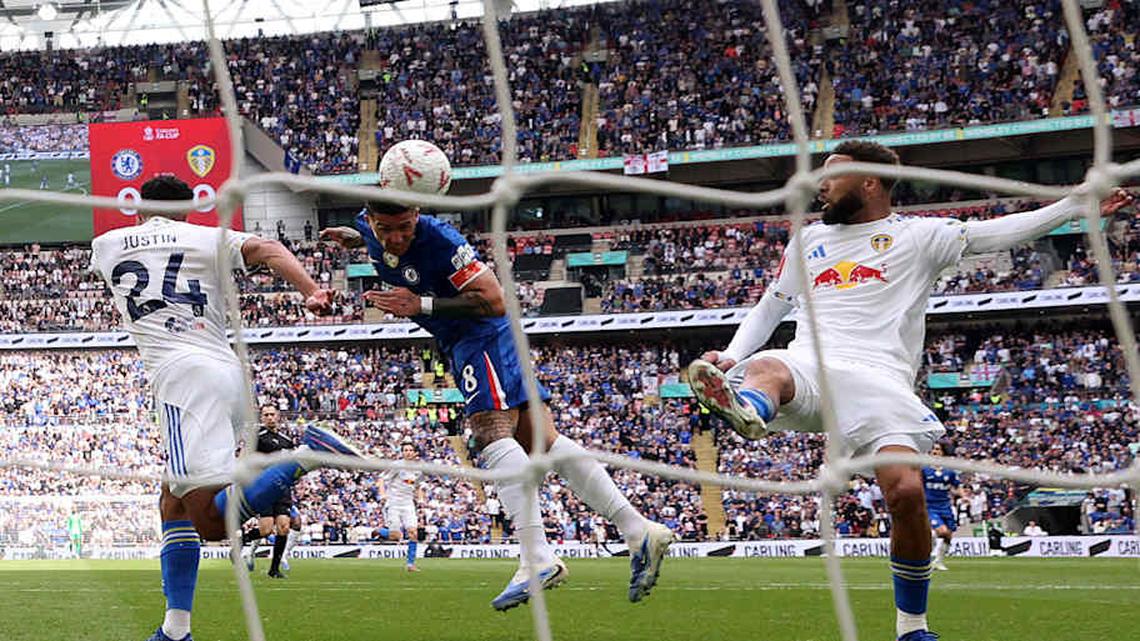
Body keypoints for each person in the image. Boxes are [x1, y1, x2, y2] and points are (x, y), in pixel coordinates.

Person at [686, 139, 1135, 641]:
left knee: (905, 492)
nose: (821, 186)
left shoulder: (919, 237)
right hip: (810, 362)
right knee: (766, 365)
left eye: (832, 178)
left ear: (869, 183)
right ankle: (746, 407)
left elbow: (999, 233)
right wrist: (729, 355)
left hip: (881, 379)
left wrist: (1075, 203)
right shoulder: (807, 241)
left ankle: (912, 628)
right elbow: (772, 306)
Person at [321, 193, 674, 611]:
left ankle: (537, 558)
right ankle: (637, 529)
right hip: (464, 341)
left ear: (418, 215)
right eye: (386, 230)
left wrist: (422, 304)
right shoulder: (370, 229)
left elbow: (494, 300)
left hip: (483, 335)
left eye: (405, 228)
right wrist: (355, 237)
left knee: (489, 433)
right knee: (541, 441)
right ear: (370, 220)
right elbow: (370, 234)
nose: (396, 238)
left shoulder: (441, 240)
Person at [89, 175, 364, 641]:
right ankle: (176, 629)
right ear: (191, 210)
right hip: (229, 375)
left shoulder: (106, 244)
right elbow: (270, 251)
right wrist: (311, 291)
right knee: (172, 501)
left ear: (136, 208)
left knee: (212, 524)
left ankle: (305, 455)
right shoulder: (209, 236)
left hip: (180, 381)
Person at [238, 405, 300, 579]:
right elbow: (243, 457)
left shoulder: (287, 440)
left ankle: (274, 569)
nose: (270, 417)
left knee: (283, 527)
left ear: (278, 416)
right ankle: (242, 540)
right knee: (265, 530)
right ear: (262, 418)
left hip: (282, 489)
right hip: (264, 487)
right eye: (266, 415)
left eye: (272, 414)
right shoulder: (257, 438)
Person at [380, 440, 424, 572]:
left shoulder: (419, 470)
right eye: (405, 450)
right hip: (394, 502)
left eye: (410, 450)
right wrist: (383, 494)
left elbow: (418, 487)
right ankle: (378, 531)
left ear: (415, 452)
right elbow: (382, 479)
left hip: (408, 503)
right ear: (402, 452)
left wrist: (420, 499)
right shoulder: (396, 465)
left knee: (413, 533)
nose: (408, 452)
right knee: (395, 536)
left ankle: (410, 564)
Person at [922, 443, 959, 571]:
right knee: (941, 531)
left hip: (945, 506)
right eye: (933, 449)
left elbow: (956, 488)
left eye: (937, 449)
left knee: (948, 535)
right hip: (930, 507)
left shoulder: (949, 472)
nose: (934, 452)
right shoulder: (924, 470)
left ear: (943, 453)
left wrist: (963, 496)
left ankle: (938, 561)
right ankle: (924, 558)